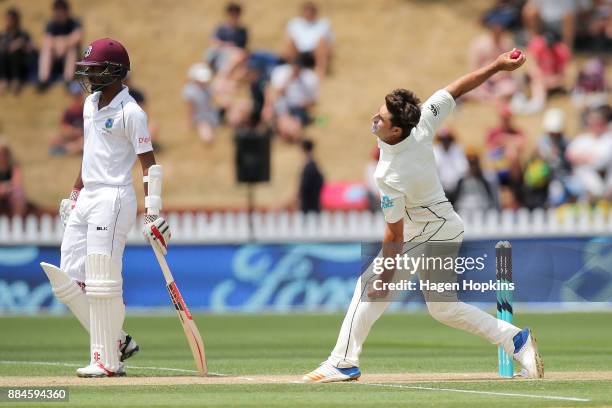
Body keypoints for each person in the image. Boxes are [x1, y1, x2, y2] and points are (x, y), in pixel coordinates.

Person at [303, 49, 544, 383]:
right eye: (378, 111)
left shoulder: (389, 172)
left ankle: (342, 361)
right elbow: (457, 88)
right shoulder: (422, 122)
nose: (375, 119)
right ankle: (516, 340)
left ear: (397, 130)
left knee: (368, 285)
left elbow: (394, 236)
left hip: (432, 231)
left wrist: (385, 275)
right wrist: (498, 65)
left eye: (382, 118)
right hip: (442, 227)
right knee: (443, 308)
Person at [40, 38, 171, 378]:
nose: (89, 76)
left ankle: (105, 360)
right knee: (67, 280)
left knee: (102, 279)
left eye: (95, 70)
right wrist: (74, 192)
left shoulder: (132, 113)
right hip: (89, 195)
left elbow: (149, 165)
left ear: (115, 72)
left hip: (113, 197)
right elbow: (90, 153)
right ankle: (117, 339)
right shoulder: (89, 104)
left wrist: (154, 211)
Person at [262, 53, 318, 142]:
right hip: (281, 108)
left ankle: (288, 132)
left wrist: (304, 104)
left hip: (299, 110)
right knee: (286, 122)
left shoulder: (310, 77)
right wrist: (289, 79)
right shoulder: (280, 72)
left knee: (293, 127)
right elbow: (274, 93)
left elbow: (313, 102)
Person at [467, 11, 516, 102]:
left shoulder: (508, 44)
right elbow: (474, 68)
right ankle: (490, 97)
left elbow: (511, 70)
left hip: (502, 82)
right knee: (469, 90)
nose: (497, 30)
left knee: (509, 88)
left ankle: (490, 98)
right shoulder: (479, 44)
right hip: (483, 81)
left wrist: (500, 76)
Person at [566, 106, 612, 202]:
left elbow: (602, 160)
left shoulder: (608, 139)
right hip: (586, 186)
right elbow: (570, 155)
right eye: (592, 123)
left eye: (598, 123)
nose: (595, 126)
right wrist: (589, 158)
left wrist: (584, 158)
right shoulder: (582, 139)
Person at [38, 0, 83, 89]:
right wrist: (60, 43)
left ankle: (68, 79)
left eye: (60, 12)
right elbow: (47, 40)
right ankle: (44, 79)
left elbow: (77, 38)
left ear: (66, 12)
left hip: (71, 56)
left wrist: (62, 43)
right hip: (56, 55)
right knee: (46, 49)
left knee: (72, 49)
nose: (58, 15)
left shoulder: (74, 22)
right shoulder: (51, 24)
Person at [284, 2, 334, 77]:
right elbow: (287, 40)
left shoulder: (323, 24)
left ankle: (320, 73)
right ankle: (293, 71)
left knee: (321, 43)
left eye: (311, 11)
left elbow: (329, 43)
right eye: (307, 11)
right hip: (298, 52)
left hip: (315, 52)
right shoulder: (294, 23)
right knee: (290, 43)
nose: (308, 14)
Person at [182, 63, 220, 144]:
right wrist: (189, 124)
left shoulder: (208, 87)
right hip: (200, 117)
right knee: (207, 134)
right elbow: (190, 110)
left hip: (210, 113)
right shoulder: (190, 92)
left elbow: (214, 100)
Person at [0, 8, 33, 94]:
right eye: (7, 19)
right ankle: (3, 80)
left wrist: (21, 44)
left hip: (20, 67)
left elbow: (31, 48)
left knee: (15, 51)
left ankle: (16, 80)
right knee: (2, 51)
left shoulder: (23, 34)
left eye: (11, 19)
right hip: (6, 66)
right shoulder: (3, 35)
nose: (8, 21)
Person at [432, 128, 468, 203]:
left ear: (451, 139)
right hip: (440, 187)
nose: (445, 142)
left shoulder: (457, 149)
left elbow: (463, 168)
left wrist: (453, 182)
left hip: (457, 186)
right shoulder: (435, 151)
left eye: (448, 139)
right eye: (443, 139)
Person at [49, 82, 84, 156]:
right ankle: (68, 148)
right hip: (73, 137)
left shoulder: (85, 109)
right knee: (54, 138)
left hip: (82, 137)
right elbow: (64, 128)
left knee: (83, 141)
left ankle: (66, 149)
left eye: (78, 95)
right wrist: (73, 132)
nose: (76, 98)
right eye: (75, 95)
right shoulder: (69, 111)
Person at [0, 138, 27, 216]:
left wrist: (5, 188)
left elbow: (17, 183)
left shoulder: (13, 165)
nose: (2, 156)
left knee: (18, 193)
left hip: (11, 192)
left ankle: (17, 218)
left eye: (4, 153)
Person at [298, 139, 324, 213]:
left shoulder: (310, 166)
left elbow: (305, 185)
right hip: (312, 203)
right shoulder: (314, 164)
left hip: (310, 204)